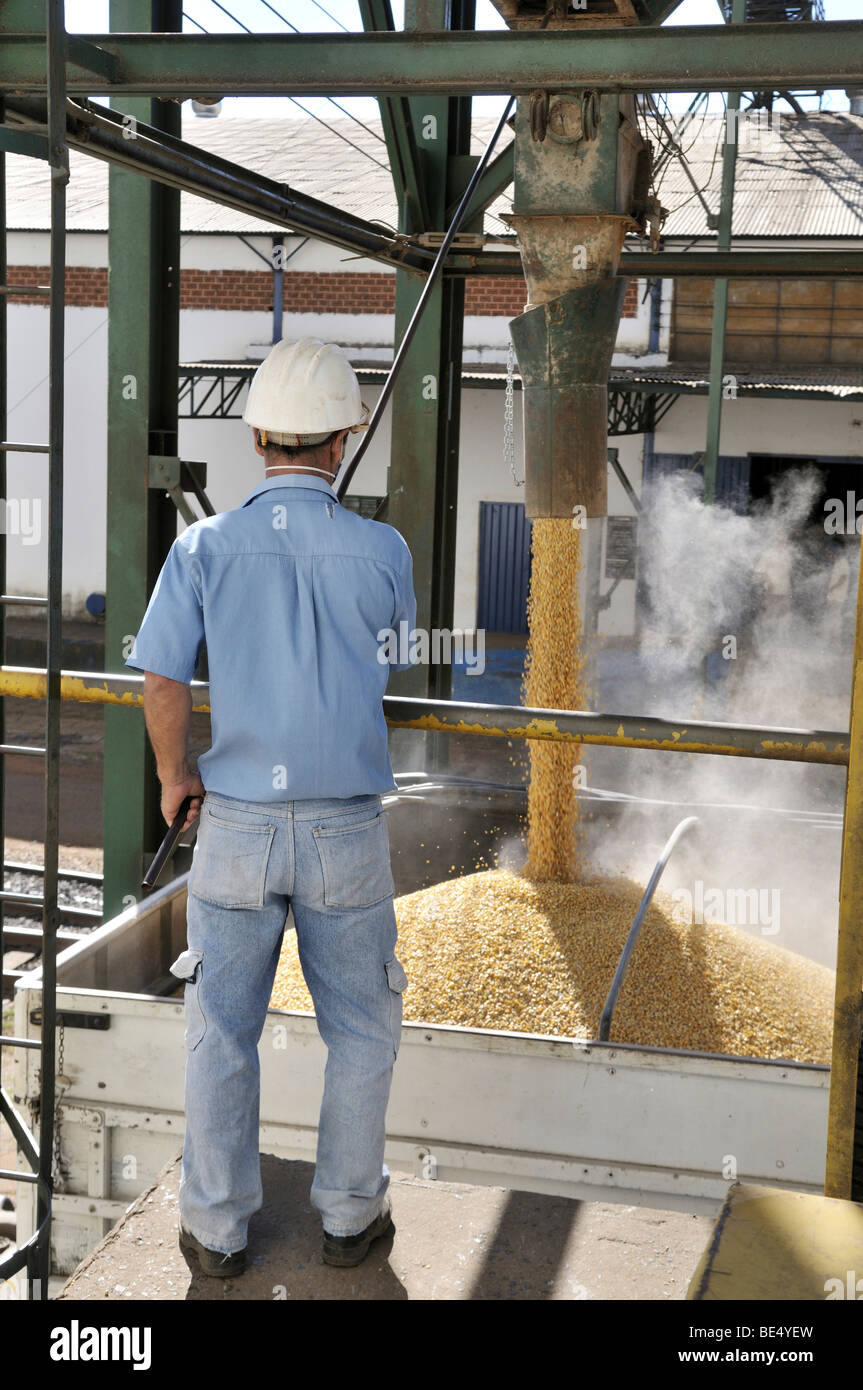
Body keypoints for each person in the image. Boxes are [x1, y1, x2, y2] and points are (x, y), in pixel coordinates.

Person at [126, 337, 416, 1277]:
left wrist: (177, 776)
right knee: (363, 1031)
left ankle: (215, 1233)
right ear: (343, 438)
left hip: (238, 828)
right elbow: (395, 660)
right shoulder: (382, 549)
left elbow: (162, 676)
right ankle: (346, 1220)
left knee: (221, 1031)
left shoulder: (204, 545)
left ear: (256, 437)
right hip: (346, 831)